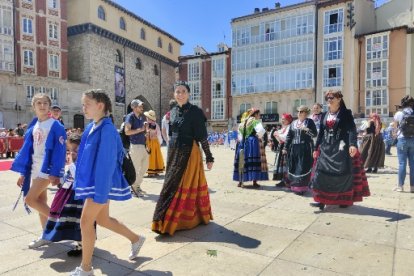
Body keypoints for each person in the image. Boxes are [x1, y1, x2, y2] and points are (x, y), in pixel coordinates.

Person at [70, 89, 143, 276]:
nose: (83, 107)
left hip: (100, 184)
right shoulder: (93, 126)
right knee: (102, 219)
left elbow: (106, 164)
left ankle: (86, 269)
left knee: (86, 221)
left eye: (87, 104)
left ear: (100, 105)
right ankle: (136, 239)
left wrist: (100, 194)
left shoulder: (107, 130)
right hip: (95, 183)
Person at [152, 81, 214, 235]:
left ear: (189, 93)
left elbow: (202, 137)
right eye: (177, 92)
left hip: (189, 153)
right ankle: (164, 219)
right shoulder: (172, 111)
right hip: (173, 152)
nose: (180, 94)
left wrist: (209, 156)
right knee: (170, 184)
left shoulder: (196, 112)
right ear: (174, 94)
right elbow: (171, 134)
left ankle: (181, 220)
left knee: (182, 184)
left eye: (183, 91)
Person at [11, 93, 66, 248]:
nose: (42, 106)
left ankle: (64, 223)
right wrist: (24, 173)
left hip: (47, 169)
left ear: (49, 106)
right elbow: (29, 150)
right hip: (34, 168)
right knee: (41, 202)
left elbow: (60, 151)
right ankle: (46, 235)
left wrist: (56, 173)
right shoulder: (34, 124)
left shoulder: (55, 125)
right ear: (33, 106)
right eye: (39, 103)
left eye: (45, 103)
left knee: (29, 199)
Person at [310, 90, 370, 210]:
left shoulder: (345, 113)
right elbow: (321, 133)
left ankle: (344, 199)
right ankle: (321, 200)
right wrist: (316, 148)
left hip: (341, 149)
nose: (329, 100)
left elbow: (352, 129)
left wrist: (352, 144)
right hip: (326, 149)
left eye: (332, 97)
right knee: (321, 174)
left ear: (339, 99)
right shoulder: (325, 115)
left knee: (342, 175)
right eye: (327, 98)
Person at [42, 133, 84, 256]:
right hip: (67, 193)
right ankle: (79, 243)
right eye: (70, 150)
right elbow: (68, 177)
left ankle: (83, 244)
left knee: (78, 220)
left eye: (75, 150)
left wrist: (72, 165)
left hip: (78, 195)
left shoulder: (82, 160)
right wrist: (59, 180)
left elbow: (79, 176)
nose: (72, 152)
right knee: (69, 219)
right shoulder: (73, 159)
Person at [283, 106, 317, 195]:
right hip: (294, 148)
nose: (299, 113)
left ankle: (302, 188)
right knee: (294, 167)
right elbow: (289, 136)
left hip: (305, 147)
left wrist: (306, 129)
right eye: (298, 111)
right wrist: (285, 148)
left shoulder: (309, 122)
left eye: (301, 112)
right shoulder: (293, 123)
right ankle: (294, 186)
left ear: (306, 113)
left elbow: (314, 134)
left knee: (302, 167)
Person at [233, 108, 268, 188]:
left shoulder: (242, 123)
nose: (259, 116)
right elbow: (261, 131)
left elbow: (240, 136)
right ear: (255, 115)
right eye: (259, 115)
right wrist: (258, 136)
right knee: (254, 160)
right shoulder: (255, 121)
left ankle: (240, 181)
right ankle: (254, 181)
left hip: (243, 143)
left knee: (242, 161)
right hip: (252, 142)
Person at [124, 99, 149, 196]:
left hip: (143, 145)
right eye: (139, 106)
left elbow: (143, 131)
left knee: (144, 167)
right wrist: (140, 130)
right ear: (134, 107)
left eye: (142, 106)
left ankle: (137, 185)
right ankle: (134, 188)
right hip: (135, 146)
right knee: (135, 168)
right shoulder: (130, 117)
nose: (142, 108)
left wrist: (146, 132)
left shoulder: (142, 118)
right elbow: (127, 131)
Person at [393, 95, 414, 192]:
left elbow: (395, 128)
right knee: (412, 164)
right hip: (413, 140)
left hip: (402, 140)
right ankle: (412, 187)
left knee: (402, 164)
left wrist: (394, 135)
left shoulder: (399, 114)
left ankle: (400, 186)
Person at [273, 114, 292, 187]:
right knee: (281, 164)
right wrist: (277, 135)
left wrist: (277, 134)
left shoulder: (289, 127)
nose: (283, 120)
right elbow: (279, 136)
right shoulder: (284, 127)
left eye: (284, 119)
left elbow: (285, 137)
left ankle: (287, 181)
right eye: (282, 119)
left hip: (286, 148)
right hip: (282, 147)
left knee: (286, 164)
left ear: (289, 120)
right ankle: (283, 180)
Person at [144, 110, 165, 177]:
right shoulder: (155, 125)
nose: (146, 118)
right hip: (154, 142)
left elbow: (158, 134)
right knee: (155, 156)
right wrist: (160, 142)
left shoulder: (147, 124)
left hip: (151, 143)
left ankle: (152, 171)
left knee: (151, 157)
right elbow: (159, 134)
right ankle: (155, 170)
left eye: (147, 117)